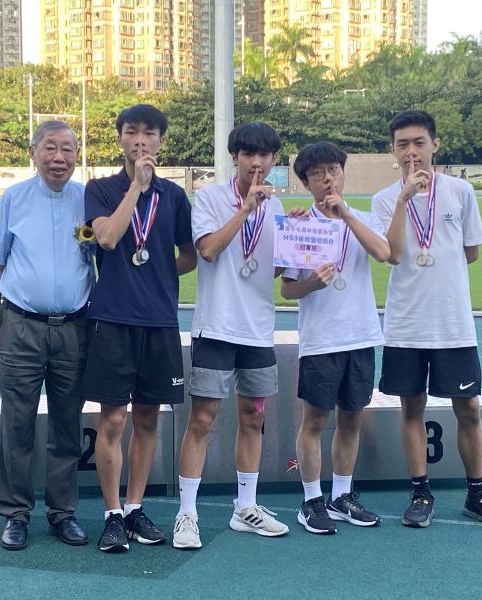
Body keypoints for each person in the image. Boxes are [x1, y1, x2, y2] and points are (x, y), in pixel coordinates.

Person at [371, 109, 482, 528]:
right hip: (406, 324)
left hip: (452, 323)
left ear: (435, 144)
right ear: (392, 151)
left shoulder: (461, 191)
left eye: (418, 142)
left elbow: (471, 251)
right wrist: (402, 200)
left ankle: (476, 493)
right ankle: (420, 493)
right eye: (402, 145)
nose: (411, 152)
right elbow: (392, 254)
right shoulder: (382, 199)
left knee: (468, 407)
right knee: (410, 408)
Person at [173, 122, 296, 550]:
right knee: (202, 419)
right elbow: (207, 250)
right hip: (216, 327)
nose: (256, 162)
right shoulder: (208, 198)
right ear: (235, 157)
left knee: (254, 418)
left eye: (265, 155)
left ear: (275, 160)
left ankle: (246, 506)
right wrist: (244, 209)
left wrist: (295, 238)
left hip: (258, 330)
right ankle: (186, 513)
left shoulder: (276, 208)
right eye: (248, 154)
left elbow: (277, 271)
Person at [84, 104, 196, 553]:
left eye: (150, 134)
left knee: (148, 419)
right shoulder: (100, 188)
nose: (141, 141)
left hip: (159, 321)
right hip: (111, 319)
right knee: (112, 418)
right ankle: (111, 514)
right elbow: (107, 239)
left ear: (160, 142)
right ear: (121, 140)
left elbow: (189, 254)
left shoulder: (174, 196)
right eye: (132, 133)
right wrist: (136, 186)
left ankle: (134, 508)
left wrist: (160, 273)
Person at [0, 120, 94, 551]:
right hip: (22, 326)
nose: (58, 157)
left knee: (67, 424)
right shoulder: (14, 198)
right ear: (33, 152)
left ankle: (63, 513)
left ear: (77, 155)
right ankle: (15, 513)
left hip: (74, 328)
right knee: (17, 423)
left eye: (67, 149)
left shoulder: (89, 200)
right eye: (50, 148)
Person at [281, 142, 390, 535]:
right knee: (314, 421)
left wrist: (344, 213)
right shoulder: (299, 226)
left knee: (352, 419)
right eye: (317, 175)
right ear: (306, 183)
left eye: (333, 170)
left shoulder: (363, 218)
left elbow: (383, 253)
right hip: (322, 339)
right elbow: (288, 290)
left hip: (360, 336)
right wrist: (311, 283)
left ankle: (342, 496)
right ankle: (311, 500)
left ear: (343, 173)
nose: (327, 179)